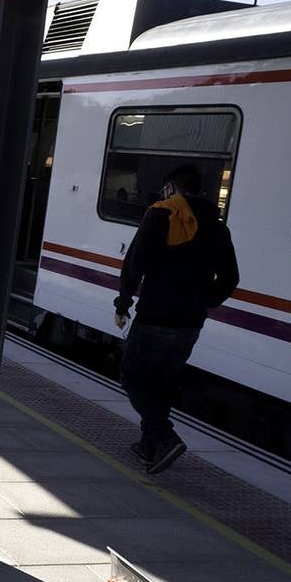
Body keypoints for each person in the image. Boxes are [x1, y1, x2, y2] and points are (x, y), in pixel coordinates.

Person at [114, 164, 239, 474]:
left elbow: (135, 263)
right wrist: (203, 302)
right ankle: (148, 447)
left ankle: (164, 436)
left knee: (133, 377)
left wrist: (123, 302)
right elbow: (230, 278)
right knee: (161, 384)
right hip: (191, 322)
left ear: (170, 188)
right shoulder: (218, 225)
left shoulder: (161, 214)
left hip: (156, 316)